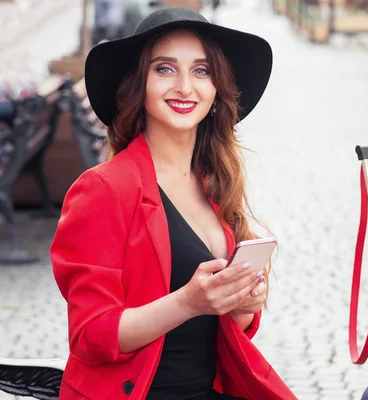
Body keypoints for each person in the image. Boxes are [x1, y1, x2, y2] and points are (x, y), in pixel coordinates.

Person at [50, 6, 296, 400]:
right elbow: (90, 334)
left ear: (216, 89)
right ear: (138, 85)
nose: (185, 86)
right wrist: (187, 301)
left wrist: (242, 304)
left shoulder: (216, 181)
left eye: (201, 71)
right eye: (164, 69)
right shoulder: (101, 189)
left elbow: (229, 329)